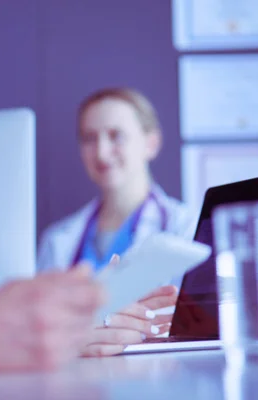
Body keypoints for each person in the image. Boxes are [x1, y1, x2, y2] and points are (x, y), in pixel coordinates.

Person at [36, 88, 196, 353]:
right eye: (89, 138)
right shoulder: (59, 239)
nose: (101, 152)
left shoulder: (185, 227)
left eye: (116, 135)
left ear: (150, 143)